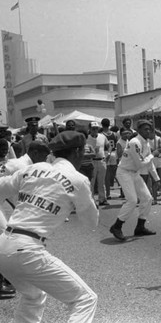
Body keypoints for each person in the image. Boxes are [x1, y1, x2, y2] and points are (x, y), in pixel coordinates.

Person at [0, 131, 99, 322]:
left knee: (33, 296)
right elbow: (91, 222)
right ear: (78, 152)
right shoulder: (77, 179)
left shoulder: (32, 169)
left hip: (3, 245)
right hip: (28, 249)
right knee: (85, 299)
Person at [0, 141, 51, 298]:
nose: (45, 159)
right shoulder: (23, 166)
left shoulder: (19, 164)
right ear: (35, 153)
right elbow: (19, 197)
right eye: (44, 155)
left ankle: (6, 275)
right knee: (3, 236)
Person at [109, 119, 159, 241]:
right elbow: (140, 164)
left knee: (147, 198)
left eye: (149, 129)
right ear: (139, 130)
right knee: (132, 200)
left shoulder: (146, 143)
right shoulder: (134, 142)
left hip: (134, 173)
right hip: (124, 172)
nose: (148, 131)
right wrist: (153, 154)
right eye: (145, 129)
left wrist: (156, 178)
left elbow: (149, 162)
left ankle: (140, 227)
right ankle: (117, 226)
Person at [87, 121, 110, 206]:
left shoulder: (102, 136)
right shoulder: (87, 138)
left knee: (101, 181)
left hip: (101, 160)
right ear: (90, 129)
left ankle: (102, 199)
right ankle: (91, 200)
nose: (95, 130)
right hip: (91, 161)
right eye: (93, 128)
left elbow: (108, 146)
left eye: (96, 128)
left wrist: (109, 154)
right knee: (92, 182)